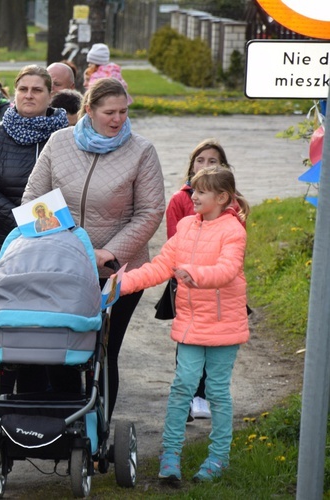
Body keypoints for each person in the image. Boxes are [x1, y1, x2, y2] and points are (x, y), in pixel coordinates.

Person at [22, 77, 165, 418]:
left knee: (103, 350)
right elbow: (33, 199)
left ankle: (97, 430)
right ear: (89, 110)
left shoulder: (141, 151)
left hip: (117, 273)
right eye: (109, 112)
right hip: (63, 267)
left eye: (123, 112)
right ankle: (67, 425)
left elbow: (151, 211)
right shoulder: (59, 143)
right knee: (63, 347)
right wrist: (65, 245)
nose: (117, 119)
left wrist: (110, 252)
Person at [117, 165, 250, 482]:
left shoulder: (234, 231)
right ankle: (171, 455)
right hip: (191, 326)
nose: (193, 196)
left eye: (201, 191)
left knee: (217, 392)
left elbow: (227, 270)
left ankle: (218, 458)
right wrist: (121, 284)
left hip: (224, 327)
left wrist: (196, 275)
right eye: (193, 189)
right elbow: (160, 266)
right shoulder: (187, 226)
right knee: (182, 388)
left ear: (222, 197)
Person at [0, 65, 68, 391]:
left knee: (39, 327)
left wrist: (39, 228)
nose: (28, 95)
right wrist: (22, 223)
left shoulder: (65, 138)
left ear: (50, 95)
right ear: (13, 93)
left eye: (36, 90)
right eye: (23, 89)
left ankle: (34, 395)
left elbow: (71, 186)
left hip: (49, 251)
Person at [166, 139, 234, 421]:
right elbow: (174, 242)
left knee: (215, 341)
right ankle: (187, 396)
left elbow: (234, 245)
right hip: (185, 281)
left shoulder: (233, 204)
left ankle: (205, 395)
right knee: (187, 339)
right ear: (191, 165)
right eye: (200, 160)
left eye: (213, 161)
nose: (206, 166)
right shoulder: (181, 199)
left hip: (219, 285)